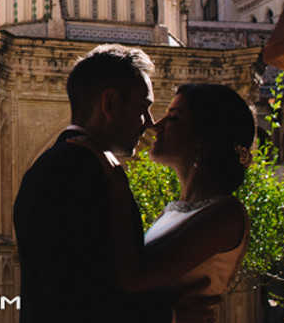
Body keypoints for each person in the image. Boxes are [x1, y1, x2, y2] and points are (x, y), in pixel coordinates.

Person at [12, 43, 179, 323]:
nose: (149, 123)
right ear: (110, 103)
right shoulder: (76, 172)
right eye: (143, 108)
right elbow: (78, 297)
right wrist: (171, 314)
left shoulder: (58, 163)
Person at [75, 83, 256, 323]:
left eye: (174, 118)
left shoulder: (225, 215)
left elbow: (131, 279)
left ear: (206, 139)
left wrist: (118, 185)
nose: (155, 125)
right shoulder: (175, 209)